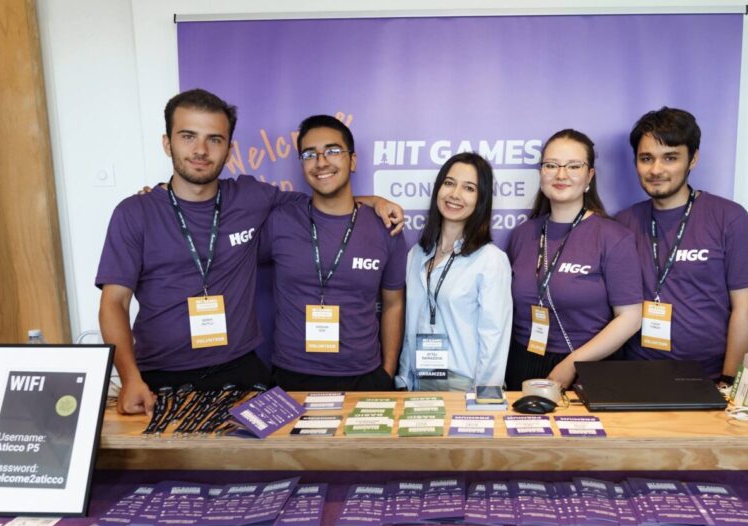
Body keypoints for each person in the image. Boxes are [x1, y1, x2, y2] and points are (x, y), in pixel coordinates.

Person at [97, 90, 402, 415]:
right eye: (188, 136)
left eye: (214, 139)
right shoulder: (134, 213)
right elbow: (114, 303)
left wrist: (374, 202)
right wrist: (129, 378)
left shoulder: (251, 197)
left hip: (239, 370)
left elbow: (327, 201)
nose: (200, 150)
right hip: (158, 375)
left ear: (229, 150)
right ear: (167, 143)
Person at [615, 107, 748, 384]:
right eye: (646, 159)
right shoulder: (623, 223)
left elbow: (747, 307)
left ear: (693, 159)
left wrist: (729, 380)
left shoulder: (729, 218)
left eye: (670, 158)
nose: (656, 170)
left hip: (708, 379)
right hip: (635, 377)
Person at [262, 115, 407, 391]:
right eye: (310, 154)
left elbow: (393, 304)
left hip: (364, 375)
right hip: (292, 374)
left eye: (332, 151)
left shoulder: (385, 227)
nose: (321, 162)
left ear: (352, 161)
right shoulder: (280, 221)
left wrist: (387, 372)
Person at [505, 129, 642, 390]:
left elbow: (631, 318)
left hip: (588, 368)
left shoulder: (613, 237)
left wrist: (572, 364)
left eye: (573, 166)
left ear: (590, 175)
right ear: (541, 172)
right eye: (551, 165)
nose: (561, 174)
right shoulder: (523, 234)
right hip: (522, 363)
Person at [397, 153, 512, 391]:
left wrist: (485, 398)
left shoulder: (490, 260)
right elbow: (411, 325)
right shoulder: (417, 254)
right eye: (449, 183)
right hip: (418, 381)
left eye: (469, 188)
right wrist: (403, 379)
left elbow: (494, 337)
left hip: (463, 387)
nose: (455, 194)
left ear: (481, 199)